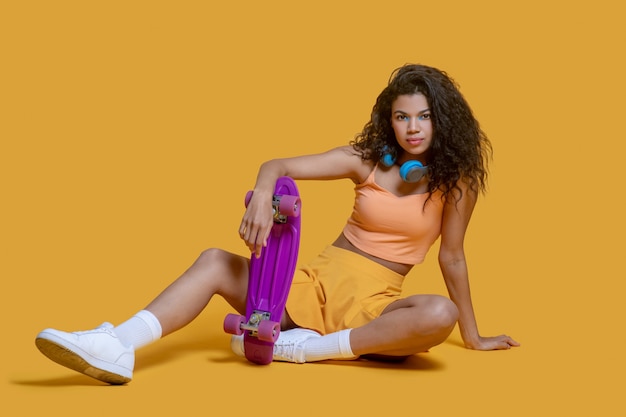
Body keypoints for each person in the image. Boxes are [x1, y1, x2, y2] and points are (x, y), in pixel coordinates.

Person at [35, 64, 519, 385]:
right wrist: (263, 198)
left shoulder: (456, 185)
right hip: (300, 290)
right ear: (388, 122)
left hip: (371, 309)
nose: (412, 127)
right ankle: (118, 344)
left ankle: (311, 350)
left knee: (439, 315)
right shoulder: (366, 160)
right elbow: (278, 165)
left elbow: (451, 256)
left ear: (442, 122)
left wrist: (473, 335)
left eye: (424, 117)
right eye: (401, 116)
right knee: (213, 260)